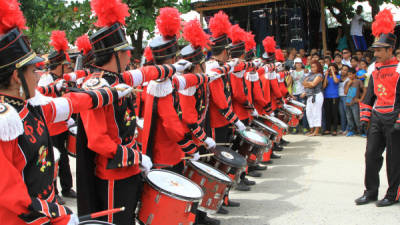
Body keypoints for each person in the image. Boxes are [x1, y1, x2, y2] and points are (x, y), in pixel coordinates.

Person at [0, 2, 133, 224]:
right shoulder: (5, 121)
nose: (38, 75)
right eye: (34, 70)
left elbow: (72, 102)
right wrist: (56, 214)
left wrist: (112, 93)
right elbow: (9, 194)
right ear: (16, 77)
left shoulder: (27, 105)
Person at [355, 9, 400, 207]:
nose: (376, 53)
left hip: (395, 117)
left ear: (390, 49)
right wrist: (364, 117)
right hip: (377, 116)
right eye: (375, 50)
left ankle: (393, 194)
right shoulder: (374, 69)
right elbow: (369, 95)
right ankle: (370, 192)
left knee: (394, 159)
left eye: (379, 50)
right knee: (371, 155)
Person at [303, 60, 324, 136]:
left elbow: (313, 84)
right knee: (309, 113)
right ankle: (311, 130)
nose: (312, 68)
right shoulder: (310, 75)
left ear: (318, 67)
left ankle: (316, 131)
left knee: (316, 113)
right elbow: (303, 83)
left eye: (314, 67)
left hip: (317, 95)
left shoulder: (319, 75)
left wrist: (308, 84)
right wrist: (309, 84)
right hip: (309, 96)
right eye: (311, 67)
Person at [344, 68, 364, 137]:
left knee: (357, 118)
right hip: (348, 102)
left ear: (354, 74)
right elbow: (345, 92)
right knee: (349, 118)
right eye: (348, 75)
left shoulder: (358, 81)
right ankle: (351, 131)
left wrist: (361, 99)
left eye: (350, 74)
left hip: (355, 102)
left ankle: (361, 131)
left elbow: (364, 90)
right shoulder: (347, 82)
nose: (349, 76)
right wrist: (348, 85)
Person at [322, 63, 341, 135]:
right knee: (327, 114)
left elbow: (336, 81)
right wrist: (326, 75)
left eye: (333, 68)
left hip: (334, 97)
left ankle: (335, 129)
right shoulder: (326, 77)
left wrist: (333, 72)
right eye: (330, 69)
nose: (330, 70)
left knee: (334, 114)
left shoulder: (338, 76)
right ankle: (328, 129)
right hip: (326, 97)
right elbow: (323, 86)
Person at [291, 58, 308, 134]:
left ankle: (305, 128)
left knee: (303, 112)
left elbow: (307, 83)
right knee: (294, 112)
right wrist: (291, 94)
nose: (298, 64)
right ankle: (295, 128)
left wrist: (305, 92)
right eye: (297, 63)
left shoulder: (305, 72)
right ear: (294, 64)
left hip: (302, 93)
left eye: (300, 63)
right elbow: (289, 83)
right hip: (294, 94)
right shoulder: (292, 72)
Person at [338, 65, 350, 135]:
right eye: (342, 69)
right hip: (339, 97)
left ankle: (348, 129)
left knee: (347, 114)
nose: (343, 71)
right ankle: (343, 129)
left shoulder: (348, 79)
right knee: (342, 114)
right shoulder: (338, 77)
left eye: (345, 70)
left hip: (346, 97)